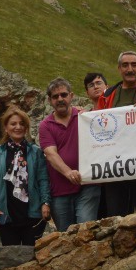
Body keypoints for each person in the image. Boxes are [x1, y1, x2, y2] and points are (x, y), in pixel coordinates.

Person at [96, 51, 136, 215]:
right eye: (125, 65)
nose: (130, 69)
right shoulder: (107, 96)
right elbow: (97, 124)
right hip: (115, 166)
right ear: (119, 69)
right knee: (116, 217)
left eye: (134, 65)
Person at [0, 105, 51, 248]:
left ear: (26, 127)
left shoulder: (36, 152)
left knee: (33, 258)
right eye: (13, 124)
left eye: (22, 124)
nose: (18, 127)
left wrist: (45, 202)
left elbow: (43, 180)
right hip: (7, 215)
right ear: (6, 128)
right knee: (11, 259)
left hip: (32, 214)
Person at [40, 77, 100, 228]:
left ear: (71, 96)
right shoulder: (45, 126)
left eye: (64, 95)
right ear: (49, 100)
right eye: (55, 96)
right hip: (59, 191)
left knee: (85, 229)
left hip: (87, 185)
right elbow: (50, 154)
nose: (60, 99)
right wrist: (68, 173)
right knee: (66, 237)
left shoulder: (85, 117)